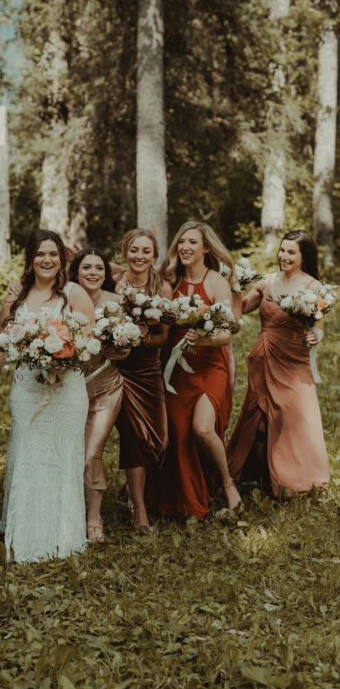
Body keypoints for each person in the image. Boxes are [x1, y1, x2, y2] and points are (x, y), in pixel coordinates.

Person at [0, 230, 95, 563]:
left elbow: (89, 345)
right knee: (28, 453)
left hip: (67, 390)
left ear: (62, 258)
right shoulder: (16, 296)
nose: (46, 260)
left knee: (63, 454)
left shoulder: (75, 294)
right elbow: (2, 342)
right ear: (30, 258)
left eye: (52, 254)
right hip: (27, 389)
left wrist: (62, 356)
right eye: (39, 254)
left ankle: (63, 533)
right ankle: (24, 532)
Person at [147, 221, 242, 519]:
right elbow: (132, 274)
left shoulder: (216, 282)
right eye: (181, 242)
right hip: (174, 369)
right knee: (177, 434)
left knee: (202, 428)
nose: (185, 247)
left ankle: (227, 484)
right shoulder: (168, 280)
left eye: (192, 242)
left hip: (209, 365)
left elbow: (226, 334)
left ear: (205, 248)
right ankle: (185, 497)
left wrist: (203, 337)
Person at [227, 230, 330, 496]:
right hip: (265, 355)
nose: (284, 256)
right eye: (282, 250)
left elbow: (318, 326)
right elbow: (243, 308)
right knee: (259, 419)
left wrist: (315, 335)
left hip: (294, 360)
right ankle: (260, 476)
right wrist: (233, 287)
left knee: (293, 418)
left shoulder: (313, 288)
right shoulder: (266, 281)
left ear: (303, 256)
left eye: (291, 252)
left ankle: (296, 479)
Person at [113, 229, 171, 530]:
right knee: (134, 437)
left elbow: (163, 337)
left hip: (148, 369)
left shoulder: (162, 288)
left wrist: (145, 339)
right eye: (134, 250)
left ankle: (132, 489)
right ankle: (139, 511)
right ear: (125, 251)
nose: (139, 256)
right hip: (118, 368)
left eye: (145, 251)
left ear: (154, 255)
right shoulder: (114, 282)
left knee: (160, 438)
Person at [69, 248, 126, 542]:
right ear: (76, 272)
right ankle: (68, 509)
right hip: (69, 389)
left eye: (99, 269)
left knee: (92, 452)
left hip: (107, 386)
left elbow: (128, 343)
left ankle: (94, 517)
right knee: (69, 453)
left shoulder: (116, 303)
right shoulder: (64, 299)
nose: (93, 273)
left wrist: (123, 347)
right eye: (86, 268)